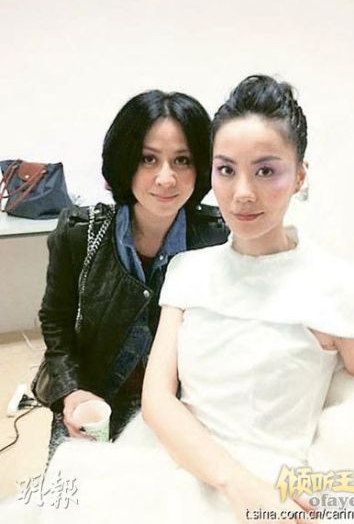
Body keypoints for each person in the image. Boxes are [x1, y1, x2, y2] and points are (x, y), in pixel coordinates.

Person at [7, 76, 354, 524]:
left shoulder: (340, 286)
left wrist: (306, 492)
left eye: (266, 170)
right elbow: (142, 387)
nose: (243, 193)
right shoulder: (175, 265)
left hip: (272, 479)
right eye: (227, 170)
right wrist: (71, 392)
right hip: (150, 441)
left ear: (300, 175)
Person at [37, 89, 228, 460]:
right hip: (94, 401)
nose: (166, 178)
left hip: (181, 409)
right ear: (124, 160)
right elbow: (56, 322)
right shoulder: (79, 233)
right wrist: (71, 391)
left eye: (183, 160)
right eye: (148, 159)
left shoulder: (217, 239)